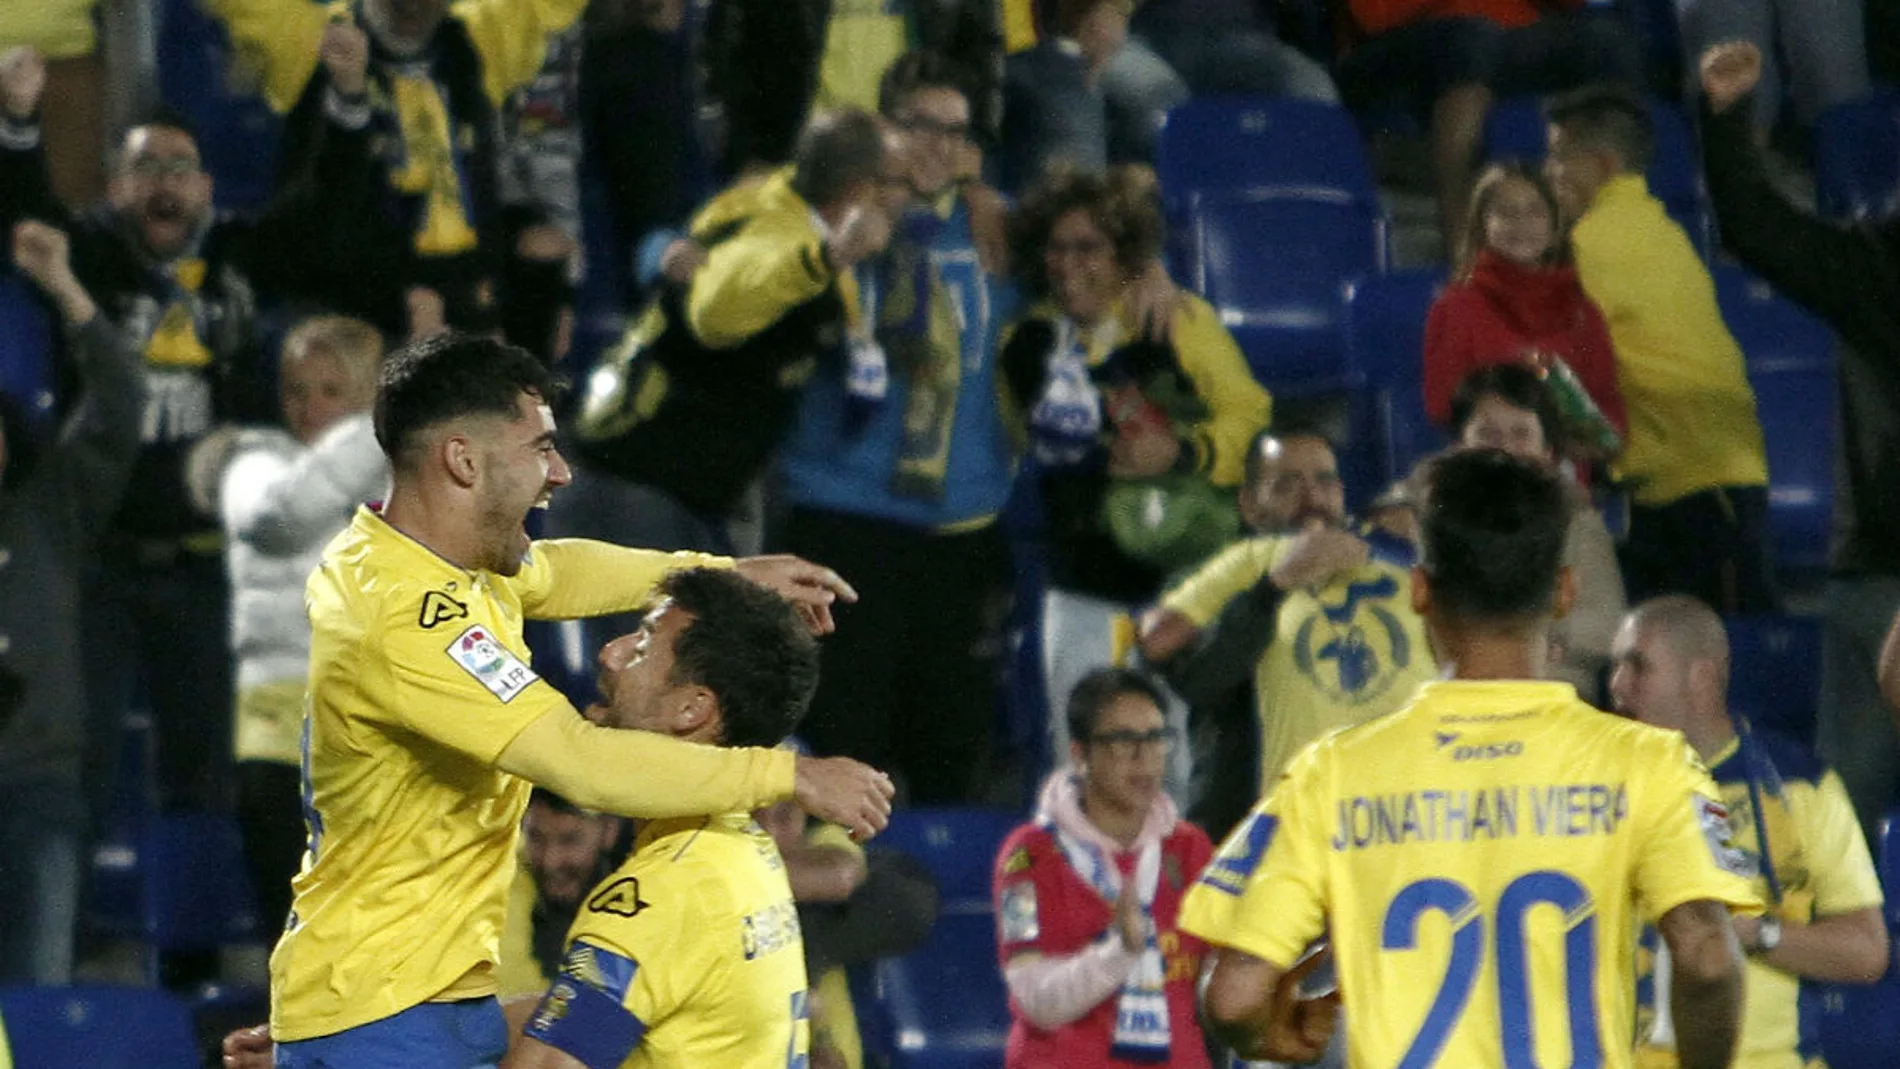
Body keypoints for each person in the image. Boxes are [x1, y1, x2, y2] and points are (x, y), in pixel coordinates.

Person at [265, 332, 892, 1069]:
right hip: (380, 1008)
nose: (561, 471)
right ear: (463, 460)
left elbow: (557, 572)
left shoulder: (436, 561)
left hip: (412, 1000)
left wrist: (719, 572)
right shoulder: (406, 614)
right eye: (540, 448)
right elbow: (579, 761)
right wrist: (791, 775)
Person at [1181, 448, 1760, 1069]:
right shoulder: (1653, 763)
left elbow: (1234, 997)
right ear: (1565, 591)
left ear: (1422, 590)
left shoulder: (1331, 774)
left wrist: (1262, 1034)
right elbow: (1706, 954)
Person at [0, 45, 367, 839]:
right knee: (80, 769)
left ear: (205, 188)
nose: (166, 180)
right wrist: (21, 124)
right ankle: (65, 953)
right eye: (147, 166)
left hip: (206, 567)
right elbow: (26, 219)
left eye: (181, 165)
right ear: (118, 187)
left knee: (202, 777)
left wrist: (343, 98)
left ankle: (190, 957)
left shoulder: (237, 254)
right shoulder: (90, 255)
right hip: (97, 561)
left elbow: (323, 211)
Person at [554, 108, 892, 660]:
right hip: (636, 484)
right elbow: (714, 311)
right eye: (894, 184)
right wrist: (827, 257)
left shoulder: (771, 199)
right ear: (860, 191)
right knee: (644, 681)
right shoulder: (785, 238)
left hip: (667, 486)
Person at [774, 53, 1017, 804]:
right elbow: (714, 241)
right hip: (844, 519)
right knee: (845, 740)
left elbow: (1110, 248)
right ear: (883, 128)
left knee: (950, 748)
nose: (937, 144)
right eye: (919, 124)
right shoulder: (821, 211)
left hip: (960, 529)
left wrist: (1155, 279)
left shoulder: (994, 233)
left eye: (956, 129)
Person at [1002, 165, 1271, 787]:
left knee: (1174, 761)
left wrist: (1183, 452)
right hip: (1080, 577)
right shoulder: (1030, 339)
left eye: (1089, 248)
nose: (1070, 264)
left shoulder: (1175, 320)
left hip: (1179, 576)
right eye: (1058, 248)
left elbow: (1250, 414)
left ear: (1124, 253)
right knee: (1081, 757)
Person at [1698, 39, 1900, 846]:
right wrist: (1726, 121)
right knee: (1838, 842)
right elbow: (1755, 227)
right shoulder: (1879, 263)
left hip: (1873, 575)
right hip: (1880, 578)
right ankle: (1833, 972)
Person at [503, 567, 823, 1069]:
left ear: (691, 709)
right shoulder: (741, 847)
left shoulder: (657, 894)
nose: (609, 653)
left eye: (644, 642)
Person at [201, 0, 582, 344]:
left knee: (543, 250)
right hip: (359, 296)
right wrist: (400, 301)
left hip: (467, 293)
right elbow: (322, 226)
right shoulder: (314, 39)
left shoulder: (477, 37)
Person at [1611, 595, 1888, 1069]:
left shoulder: (1800, 786)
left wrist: (1755, 933)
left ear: (1699, 679)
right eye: (1615, 667)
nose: (1617, 686)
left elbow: (1866, 953)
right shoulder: (1597, 789)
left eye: (1638, 667)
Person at [1546, 83, 1776, 614]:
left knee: (1725, 658)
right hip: (1690, 480)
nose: (1549, 171)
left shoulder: (1591, 241)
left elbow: (1558, 356)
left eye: (1558, 156)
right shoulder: (1666, 232)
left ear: (1601, 163)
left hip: (1699, 483)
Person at [196, 315, 389, 948]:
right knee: (301, 937)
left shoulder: (401, 483)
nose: (309, 407)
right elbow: (281, 515)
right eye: (297, 389)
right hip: (278, 733)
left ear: (365, 392)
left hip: (370, 731)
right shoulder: (248, 461)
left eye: (332, 390)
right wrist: (379, 427)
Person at [1138, 431, 1436, 813]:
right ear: (1248, 505)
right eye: (1286, 485)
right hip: (1259, 820)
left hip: (1394, 815)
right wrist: (1273, 588)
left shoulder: (1393, 562)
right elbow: (1197, 676)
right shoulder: (1222, 575)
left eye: (1325, 481)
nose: (1312, 498)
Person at [0, 220, 143, 985]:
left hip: (40, 792)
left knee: (38, 1001)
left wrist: (62, 285)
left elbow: (123, 399)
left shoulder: (51, 501)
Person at [992, 668, 1214, 1069]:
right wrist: (1120, 952)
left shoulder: (1189, 849)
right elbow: (1035, 1000)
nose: (1144, 756)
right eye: (1123, 740)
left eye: (1156, 739)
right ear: (1080, 754)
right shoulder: (1029, 857)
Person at [1333, 0, 1642, 255]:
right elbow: (1375, 14)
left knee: (1607, 38)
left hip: (1511, 39)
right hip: (1402, 49)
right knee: (1471, 37)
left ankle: (1620, 236)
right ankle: (1462, 251)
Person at [1444, 364, 1626, 703]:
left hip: (1556, 694)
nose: (1505, 450)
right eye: (1487, 434)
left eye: (1521, 434)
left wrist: (1531, 639)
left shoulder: (1577, 524)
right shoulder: (1429, 520)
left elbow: (1607, 624)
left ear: (1548, 453)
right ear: (1460, 447)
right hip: (1458, 700)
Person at [1423, 161, 1624, 443]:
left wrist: (1590, 440)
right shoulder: (1455, 308)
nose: (1521, 223)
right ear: (1481, 226)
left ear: (1556, 228)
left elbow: (1609, 409)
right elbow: (1442, 407)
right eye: (1506, 212)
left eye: (1535, 211)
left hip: (1566, 469)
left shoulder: (1582, 311)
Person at [497, 789, 624, 1000]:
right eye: (536, 837)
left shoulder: (638, 893)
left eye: (569, 840)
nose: (550, 861)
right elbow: (507, 985)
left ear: (610, 830)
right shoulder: (508, 877)